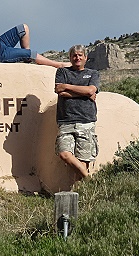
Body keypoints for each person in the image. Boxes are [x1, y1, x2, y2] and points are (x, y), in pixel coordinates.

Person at [54, 44, 100, 179]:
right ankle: (89, 179)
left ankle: (81, 194)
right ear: (70, 57)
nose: (77, 57)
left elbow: (91, 90)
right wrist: (85, 93)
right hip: (66, 121)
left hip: (86, 121)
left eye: (80, 55)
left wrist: (67, 86)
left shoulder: (93, 73)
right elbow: (60, 92)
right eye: (74, 55)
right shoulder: (62, 72)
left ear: (85, 58)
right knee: (64, 154)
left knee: (83, 161)